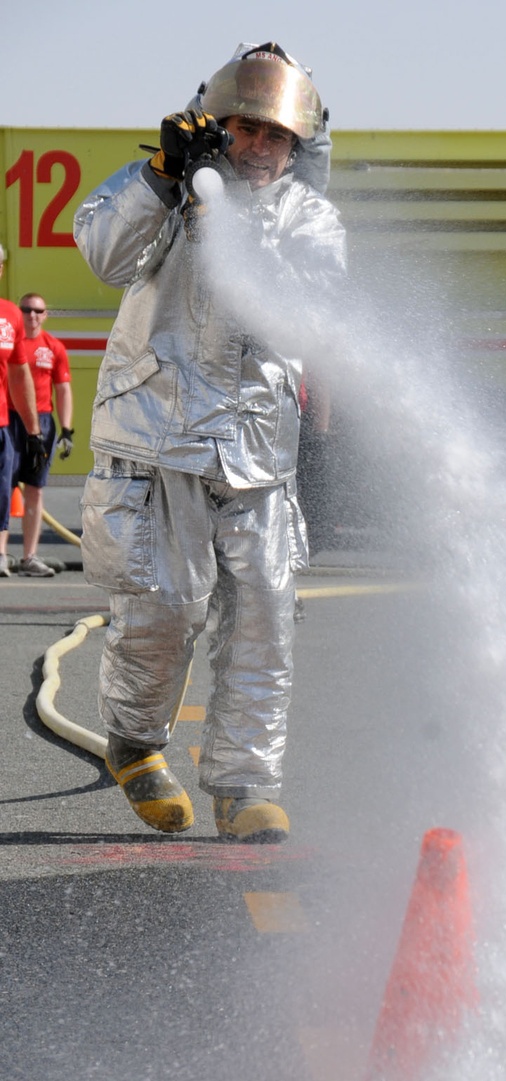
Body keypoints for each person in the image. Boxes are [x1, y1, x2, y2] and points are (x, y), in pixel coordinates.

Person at [73, 42, 346, 842]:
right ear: (216, 125)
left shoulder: (313, 221)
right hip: (153, 445)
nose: (258, 149)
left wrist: (225, 218)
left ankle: (244, 782)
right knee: (159, 609)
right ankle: (135, 741)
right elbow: (103, 252)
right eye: (244, 130)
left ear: (297, 147)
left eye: (276, 137)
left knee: (263, 620)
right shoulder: (166, 188)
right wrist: (162, 177)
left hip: (257, 455)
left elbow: (295, 311)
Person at [9, 293, 74, 577]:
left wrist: (67, 429)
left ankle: (29, 556)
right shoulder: (10, 341)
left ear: (46, 315)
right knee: (3, 487)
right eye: (26, 310)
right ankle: (1, 554)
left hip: (43, 423)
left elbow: (63, 389)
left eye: (38, 311)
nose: (32, 316)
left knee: (35, 489)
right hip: (10, 419)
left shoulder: (54, 348)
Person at [0, 244, 44, 578]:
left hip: (2, 423)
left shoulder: (10, 315)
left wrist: (33, 431)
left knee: (3, 491)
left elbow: (19, 374)